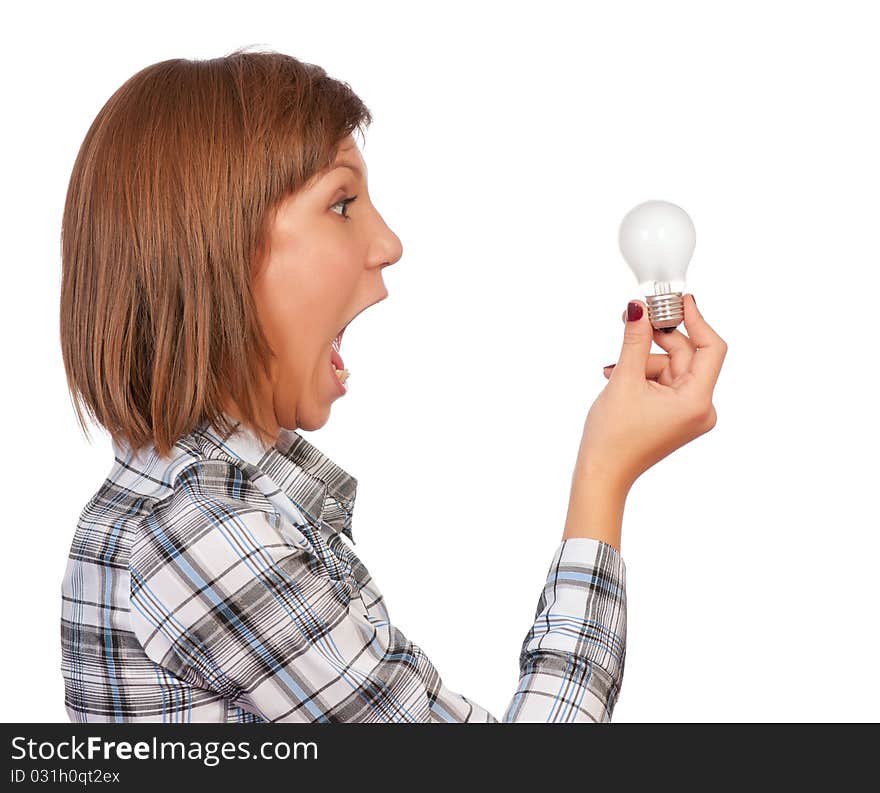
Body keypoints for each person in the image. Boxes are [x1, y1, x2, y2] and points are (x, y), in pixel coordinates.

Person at [59, 48, 727, 723]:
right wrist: (603, 473)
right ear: (214, 249)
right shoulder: (203, 536)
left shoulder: (196, 508)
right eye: (342, 204)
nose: (388, 243)